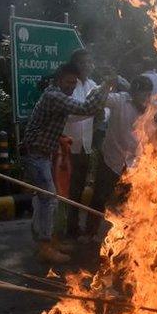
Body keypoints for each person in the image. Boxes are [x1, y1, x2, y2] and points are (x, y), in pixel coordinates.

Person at [22, 63, 111, 263]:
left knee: (46, 199)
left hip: (43, 153)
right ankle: (45, 246)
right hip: (36, 155)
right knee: (48, 199)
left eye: (74, 83)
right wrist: (105, 86)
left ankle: (50, 240)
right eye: (68, 82)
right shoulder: (54, 96)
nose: (71, 86)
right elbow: (85, 108)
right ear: (58, 80)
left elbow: (66, 118)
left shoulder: (56, 95)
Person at [85, 75, 154, 238]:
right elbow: (92, 99)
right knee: (99, 198)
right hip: (111, 160)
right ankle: (89, 233)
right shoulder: (119, 101)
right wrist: (105, 84)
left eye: (148, 94)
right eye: (142, 94)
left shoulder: (152, 107)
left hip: (135, 165)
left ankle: (124, 238)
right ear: (133, 93)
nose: (145, 98)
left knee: (128, 202)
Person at [60, 49, 98, 239]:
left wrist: (101, 114)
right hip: (67, 147)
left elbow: (104, 110)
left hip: (85, 145)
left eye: (90, 62)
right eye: (83, 62)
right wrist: (92, 111)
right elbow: (71, 115)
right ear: (75, 65)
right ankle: (64, 228)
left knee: (80, 188)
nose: (88, 66)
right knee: (66, 190)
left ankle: (74, 226)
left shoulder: (93, 85)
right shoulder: (69, 85)